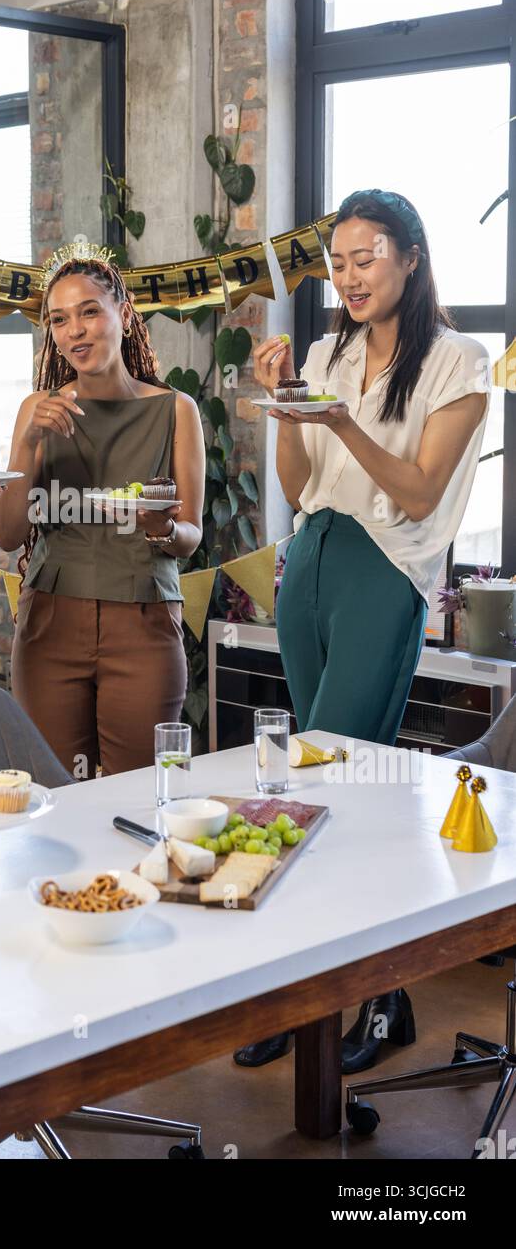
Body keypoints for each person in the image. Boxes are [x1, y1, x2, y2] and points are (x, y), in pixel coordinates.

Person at [238, 188, 490, 1074]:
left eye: (366, 256)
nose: (347, 276)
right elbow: (301, 484)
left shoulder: (459, 363)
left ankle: (376, 1001)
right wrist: (287, 406)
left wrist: (338, 417)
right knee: (301, 796)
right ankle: (299, 999)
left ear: (411, 257)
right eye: (336, 262)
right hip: (309, 558)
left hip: (385, 575)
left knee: (345, 791)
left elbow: (419, 493)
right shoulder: (324, 351)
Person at [0, 249, 205, 778]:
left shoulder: (176, 409)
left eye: (89, 312)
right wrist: (28, 442)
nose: (75, 332)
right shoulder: (38, 408)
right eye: (59, 320)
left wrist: (163, 528)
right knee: (57, 789)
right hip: (50, 622)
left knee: (138, 786)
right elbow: (6, 532)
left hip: (143, 620)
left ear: (123, 314)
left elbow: (190, 535)